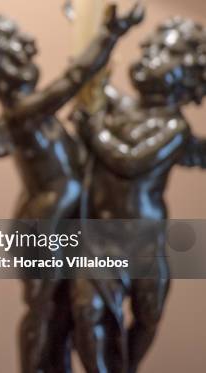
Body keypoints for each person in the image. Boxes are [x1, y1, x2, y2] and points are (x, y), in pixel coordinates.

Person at [0, 5, 143, 373]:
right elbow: (73, 78)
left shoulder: (39, 114)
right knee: (45, 309)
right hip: (43, 223)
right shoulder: (24, 112)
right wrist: (109, 34)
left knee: (65, 310)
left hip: (62, 221)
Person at [71, 16, 206, 373]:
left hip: (144, 243)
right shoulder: (124, 109)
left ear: (189, 76)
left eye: (166, 52)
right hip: (102, 239)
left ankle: (125, 366)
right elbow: (96, 84)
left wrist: (94, 129)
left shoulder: (173, 127)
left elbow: (129, 161)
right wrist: (96, 49)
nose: (151, 56)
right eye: (151, 47)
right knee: (87, 311)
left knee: (147, 315)